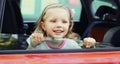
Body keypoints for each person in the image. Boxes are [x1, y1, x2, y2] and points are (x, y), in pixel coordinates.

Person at [27, 4, 96, 50]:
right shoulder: (36, 41)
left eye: (64, 22)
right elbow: (27, 58)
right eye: (53, 21)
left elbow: (82, 58)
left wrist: (89, 45)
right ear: (44, 25)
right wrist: (32, 45)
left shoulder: (72, 44)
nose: (59, 25)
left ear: (69, 26)